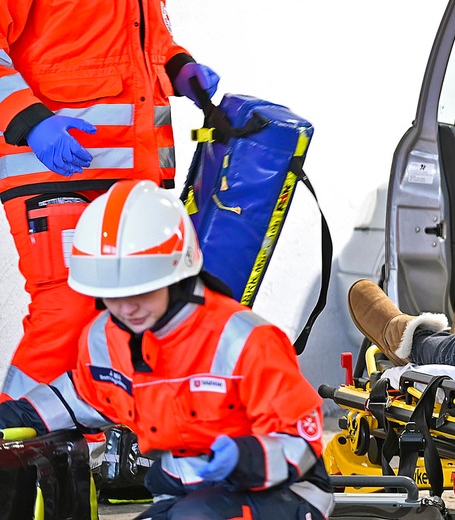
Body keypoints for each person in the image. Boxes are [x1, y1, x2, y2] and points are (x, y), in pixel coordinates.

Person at [0, 0, 220, 400]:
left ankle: (95, 465)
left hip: (136, 172)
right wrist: (32, 124)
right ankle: (12, 456)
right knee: (67, 311)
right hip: (54, 166)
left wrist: (180, 69)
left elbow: (142, 34)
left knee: (128, 322)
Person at [0, 180, 333, 518]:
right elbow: (77, 399)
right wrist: (10, 417)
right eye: (112, 296)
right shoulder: (105, 338)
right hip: (185, 493)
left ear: (177, 276)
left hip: (283, 493)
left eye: (140, 291)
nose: (127, 308)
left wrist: (244, 457)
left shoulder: (243, 339)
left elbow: (301, 440)